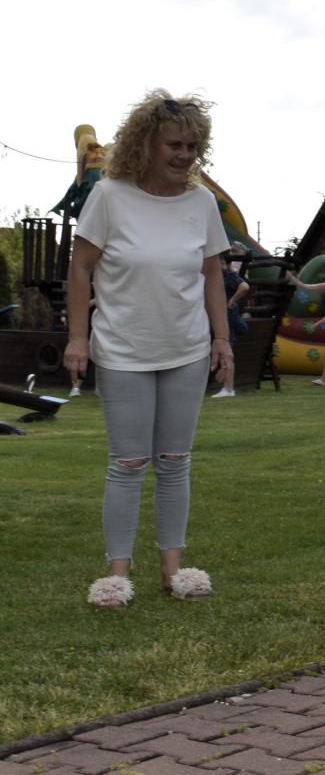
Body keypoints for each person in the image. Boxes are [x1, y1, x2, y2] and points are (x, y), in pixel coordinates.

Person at [65, 91, 232, 608]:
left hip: (186, 349)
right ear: (146, 143)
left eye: (192, 146)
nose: (184, 155)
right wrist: (77, 338)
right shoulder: (109, 196)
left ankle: (173, 571)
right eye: (173, 145)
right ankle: (116, 575)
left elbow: (212, 274)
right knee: (129, 463)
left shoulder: (201, 203)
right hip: (122, 350)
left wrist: (221, 339)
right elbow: (80, 268)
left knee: (175, 461)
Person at [211, 252, 250, 398]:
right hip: (222, 318)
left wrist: (232, 300)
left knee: (227, 352)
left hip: (228, 319)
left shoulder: (228, 275)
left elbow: (244, 287)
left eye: (220, 262)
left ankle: (228, 388)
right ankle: (225, 387)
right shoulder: (217, 276)